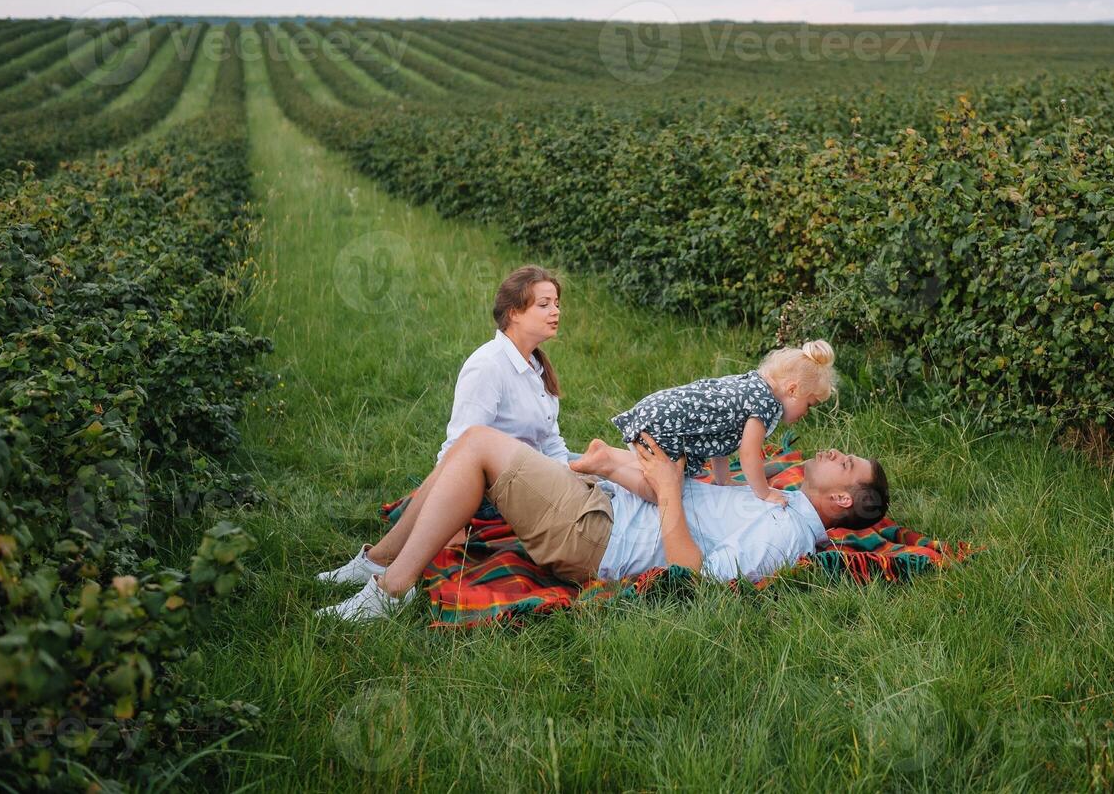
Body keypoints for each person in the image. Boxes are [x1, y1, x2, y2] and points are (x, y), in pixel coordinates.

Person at [313, 426, 889, 621]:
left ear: (840, 496)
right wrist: (630, 464)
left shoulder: (784, 534)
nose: (836, 452)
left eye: (847, 463)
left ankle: (389, 593)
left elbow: (702, 578)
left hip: (598, 535)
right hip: (605, 506)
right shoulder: (782, 502)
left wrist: (666, 489)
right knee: (471, 443)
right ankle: (378, 562)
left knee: (479, 448)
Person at [316, 265, 572, 586]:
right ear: (514, 313)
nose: (555, 312)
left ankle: (376, 560)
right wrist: (452, 516)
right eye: (544, 304)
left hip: (532, 477)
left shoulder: (537, 366)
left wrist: (568, 482)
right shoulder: (488, 366)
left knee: (603, 470)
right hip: (497, 492)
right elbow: (461, 448)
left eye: (557, 304)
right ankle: (377, 561)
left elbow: (551, 442)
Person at [571, 341, 837, 507]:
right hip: (667, 426)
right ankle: (604, 465)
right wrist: (764, 492)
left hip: (662, 412)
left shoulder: (753, 384)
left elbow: (722, 439)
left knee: (656, 469)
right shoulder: (765, 405)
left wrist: (723, 480)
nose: (806, 412)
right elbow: (747, 453)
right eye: (810, 404)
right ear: (793, 390)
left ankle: (604, 454)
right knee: (663, 491)